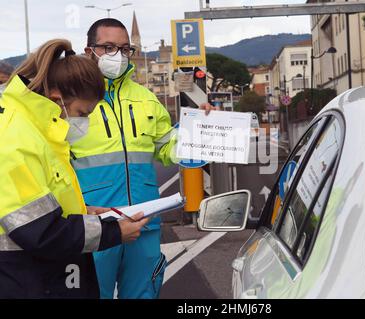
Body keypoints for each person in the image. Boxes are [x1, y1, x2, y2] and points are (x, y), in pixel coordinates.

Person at [70, 18, 216, 299]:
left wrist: (203, 128)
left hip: (143, 224)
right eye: (109, 47)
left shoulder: (146, 99)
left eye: (125, 49)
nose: (119, 56)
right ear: (89, 51)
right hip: (94, 226)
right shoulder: (71, 101)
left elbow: (169, 148)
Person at [0, 39, 150, 299]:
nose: (85, 121)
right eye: (83, 111)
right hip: (24, 279)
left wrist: (86, 212)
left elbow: (39, 201)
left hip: (39, 276)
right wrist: (112, 231)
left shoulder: (36, 127)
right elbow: (37, 230)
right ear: (58, 99)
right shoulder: (16, 136)